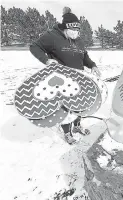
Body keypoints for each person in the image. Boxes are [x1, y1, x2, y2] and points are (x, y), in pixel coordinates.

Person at [29, 7, 101, 144]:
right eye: (73, 30)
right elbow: (34, 46)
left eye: (78, 30)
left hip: (79, 78)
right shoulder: (52, 37)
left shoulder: (78, 40)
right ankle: (67, 133)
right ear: (65, 28)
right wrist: (46, 60)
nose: (76, 33)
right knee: (65, 108)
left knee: (79, 104)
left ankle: (77, 126)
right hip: (62, 80)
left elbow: (84, 56)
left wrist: (92, 65)